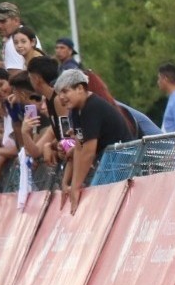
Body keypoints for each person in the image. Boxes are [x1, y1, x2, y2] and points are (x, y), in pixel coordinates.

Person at [54, 69, 132, 208]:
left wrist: (75, 187)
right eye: (59, 93)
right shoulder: (76, 111)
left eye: (65, 91)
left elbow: (88, 152)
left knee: (97, 201)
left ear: (80, 88)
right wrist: (69, 184)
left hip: (121, 158)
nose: (60, 97)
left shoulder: (92, 107)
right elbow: (79, 147)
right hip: (108, 159)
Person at [0, 2, 33, 70]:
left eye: (3, 21)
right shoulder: (27, 35)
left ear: (16, 20)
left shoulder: (14, 42)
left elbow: (15, 76)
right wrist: (2, 65)